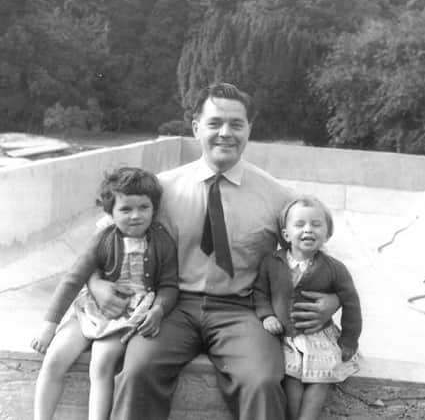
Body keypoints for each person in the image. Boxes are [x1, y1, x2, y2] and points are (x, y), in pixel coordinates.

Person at [88, 82, 341, 420]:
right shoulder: (161, 189)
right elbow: (101, 240)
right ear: (196, 128)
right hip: (172, 306)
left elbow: (317, 259)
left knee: (263, 381)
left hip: (244, 309)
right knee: (137, 372)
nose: (226, 133)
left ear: (250, 128)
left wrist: (332, 301)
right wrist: (96, 284)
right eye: (214, 123)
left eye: (236, 124)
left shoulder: (278, 196)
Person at [30, 167, 179, 420]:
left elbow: (169, 286)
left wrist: (158, 309)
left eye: (144, 207)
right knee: (55, 357)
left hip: (128, 315)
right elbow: (73, 279)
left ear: (154, 209)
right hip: (91, 308)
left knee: (101, 364)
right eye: (125, 209)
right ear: (110, 212)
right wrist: (49, 325)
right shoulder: (103, 239)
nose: (136, 216)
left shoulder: (162, 242)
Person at [254, 196, 362, 420]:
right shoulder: (271, 262)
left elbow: (351, 303)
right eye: (299, 224)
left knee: (320, 380)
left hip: (319, 336)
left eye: (316, 224)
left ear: (327, 233)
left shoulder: (335, 268)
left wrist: (349, 340)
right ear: (286, 235)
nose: (308, 230)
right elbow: (260, 293)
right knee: (291, 379)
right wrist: (267, 316)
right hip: (287, 337)